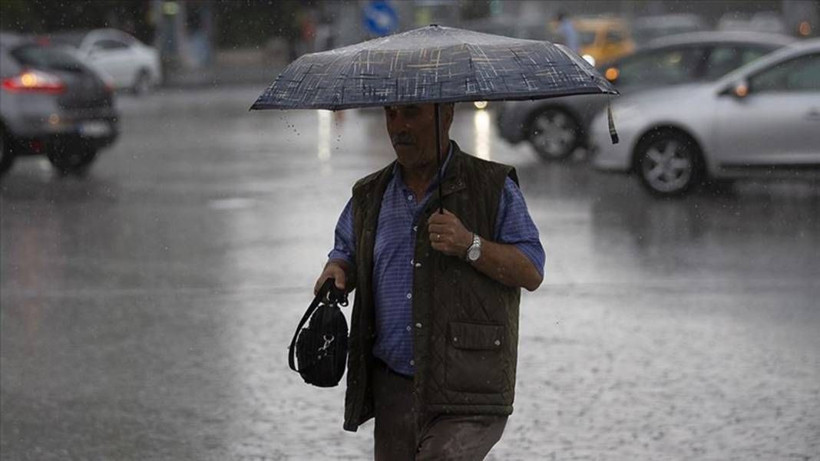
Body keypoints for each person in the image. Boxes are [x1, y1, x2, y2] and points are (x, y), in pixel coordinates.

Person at [313, 102, 545, 460]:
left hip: (468, 386)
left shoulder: (491, 186)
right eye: (391, 114)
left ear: (446, 114)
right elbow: (346, 249)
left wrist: (470, 244)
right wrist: (337, 269)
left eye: (411, 113)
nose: (398, 127)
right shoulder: (369, 194)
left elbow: (531, 270)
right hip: (394, 384)